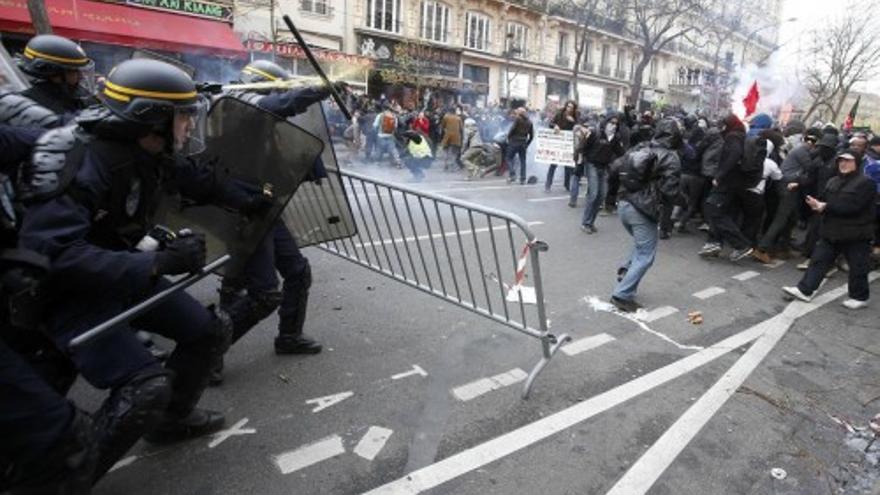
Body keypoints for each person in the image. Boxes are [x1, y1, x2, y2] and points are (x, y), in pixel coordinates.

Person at [16, 58, 268, 478]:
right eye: (184, 116)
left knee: (210, 330)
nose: (190, 126)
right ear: (150, 118)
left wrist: (248, 199)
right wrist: (156, 263)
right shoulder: (77, 161)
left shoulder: (149, 151)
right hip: (63, 294)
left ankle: (173, 420)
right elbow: (54, 256)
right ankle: (65, 481)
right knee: (144, 387)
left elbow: (197, 179)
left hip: (122, 271)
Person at [214, 60, 342, 382]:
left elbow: (273, 148)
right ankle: (206, 351)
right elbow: (281, 103)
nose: (277, 96)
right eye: (275, 89)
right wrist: (318, 90)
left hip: (263, 206)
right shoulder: (239, 104)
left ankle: (289, 336)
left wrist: (308, 164)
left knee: (297, 271)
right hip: (240, 208)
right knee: (255, 290)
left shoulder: (258, 115)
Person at [782, 149, 875, 309]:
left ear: (857, 163)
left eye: (848, 161)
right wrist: (814, 203)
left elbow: (854, 207)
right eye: (841, 160)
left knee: (857, 266)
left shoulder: (865, 183)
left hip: (856, 233)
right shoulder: (833, 181)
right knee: (818, 260)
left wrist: (825, 206)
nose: (843, 164)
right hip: (832, 231)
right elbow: (823, 199)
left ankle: (859, 297)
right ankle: (805, 290)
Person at [609, 119, 681, 312]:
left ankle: (626, 270)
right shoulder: (671, 157)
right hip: (642, 210)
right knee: (646, 254)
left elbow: (614, 168)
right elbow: (670, 191)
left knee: (641, 245)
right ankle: (622, 295)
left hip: (624, 204)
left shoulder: (641, 147)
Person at [753, 130, 821, 263]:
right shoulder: (802, 152)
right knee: (781, 218)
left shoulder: (801, 150)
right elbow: (811, 169)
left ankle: (782, 247)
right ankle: (762, 249)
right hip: (788, 186)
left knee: (791, 219)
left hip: (790, 186)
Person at [698, 113, 755, 261]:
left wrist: (719, 175)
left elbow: (734, 155)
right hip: (736, 182)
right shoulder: (740, 135)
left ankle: (741, 245)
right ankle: (714, 242)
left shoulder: (733, 136)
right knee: (721, 211)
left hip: (728, 181)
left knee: (713, 208)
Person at [17, 34, 94, 115]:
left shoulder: (64, 96)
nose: (81, 76)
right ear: (52, 71)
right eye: (74, 71)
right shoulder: (35, 106)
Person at [580, 113, 625, 234]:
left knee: (601, 196)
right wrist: (584, 162)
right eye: (612, 122)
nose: (614, 126)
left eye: (616, 124)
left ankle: (591, 222)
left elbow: (621, 153)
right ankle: (585, 223)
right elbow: (584, 148)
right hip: (592, 165)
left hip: (604, 167)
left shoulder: (615, 138)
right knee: (593, 194)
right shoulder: (595, 133)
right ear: (606, 122)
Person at [544, 100, 578, 192]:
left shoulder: (576, 116)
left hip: (568, 144)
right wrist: (555, 126)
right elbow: (550, 123)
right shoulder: (559, 114)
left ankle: (566, 185)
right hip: (558, 143)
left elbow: (579, 128)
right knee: (553, 165)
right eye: (568, 106)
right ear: (565, 106)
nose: (569, 109)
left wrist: (574, 122)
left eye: (571, 107)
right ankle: (548, 185)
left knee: (568, 167)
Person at [506, 107, 534, 184]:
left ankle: (512, 174)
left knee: (508, 158)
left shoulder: (518, 119)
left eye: (517, 111)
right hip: (523, 143)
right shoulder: (530, 122)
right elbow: (532, 136)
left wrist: (508, 138)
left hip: (514, 142)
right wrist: (527, 144)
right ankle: (523, 178)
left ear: (520, 113)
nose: (516, 113)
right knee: (523, 161)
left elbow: (512, 129)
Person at [440, 106, 463, 172]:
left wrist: (442, 135)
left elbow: (442, 127)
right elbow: (461, 129)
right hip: (456, 137)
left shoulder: (445, 117)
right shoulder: (458, 118)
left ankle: (445, 165)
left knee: (445, 151)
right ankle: (453, 167)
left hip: (447, 136)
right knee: (454, 152)